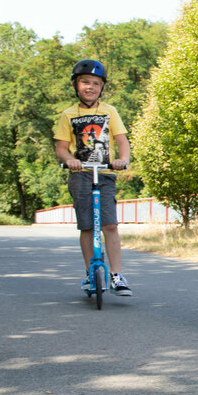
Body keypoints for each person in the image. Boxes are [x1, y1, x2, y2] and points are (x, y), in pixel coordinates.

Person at [53, 59, 132, 295]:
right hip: (80, 174)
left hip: (105, 173)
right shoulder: (68, 114)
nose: (90, 87)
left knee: (110, 224)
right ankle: (90, 273)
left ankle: (117, 275)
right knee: (87, 226)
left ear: (102, 87)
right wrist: (69, 160)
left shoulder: (109, 111)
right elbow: (61, 147)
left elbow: (121, 140)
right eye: (85, 82)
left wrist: (123, 160)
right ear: (76, 85)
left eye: (95, 83)